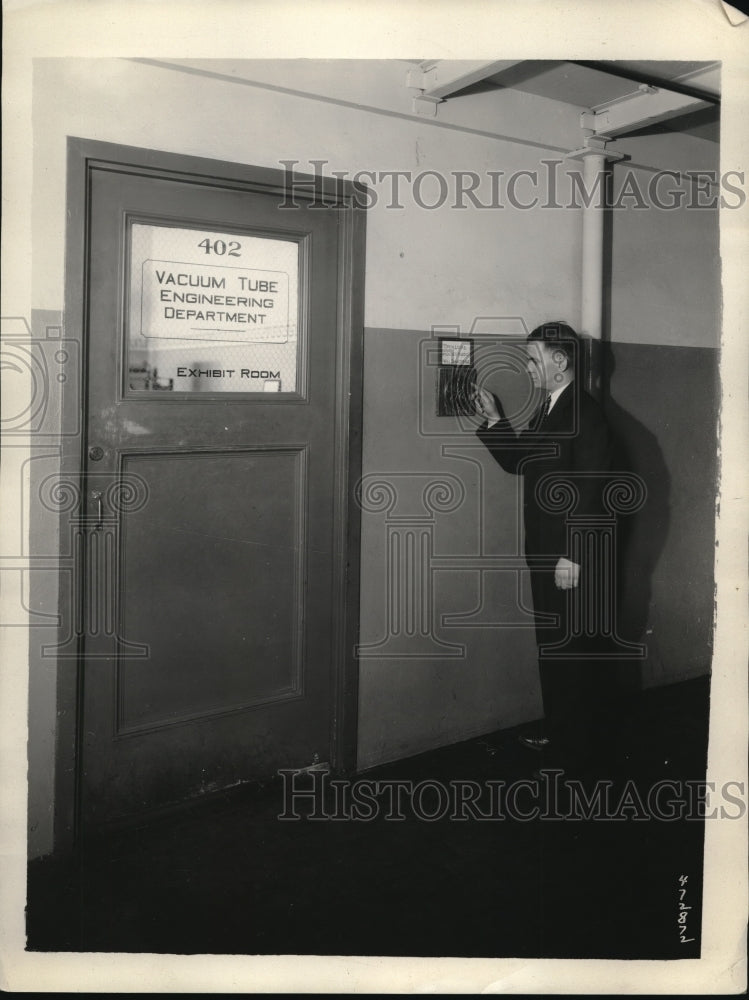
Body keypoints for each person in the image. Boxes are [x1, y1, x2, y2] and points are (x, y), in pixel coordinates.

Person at [474, 321, 620, 777]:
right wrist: (498, 422)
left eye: (534, 358)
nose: (528, 366)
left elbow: (596, 491)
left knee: (569, 655)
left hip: (568, 559)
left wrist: (573, 555)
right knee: (554, 650)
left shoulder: (585, 413)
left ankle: (573, 758)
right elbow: (522, 462)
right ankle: (562, 734)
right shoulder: (550, 407)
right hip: (546, 552)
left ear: (560, 361)